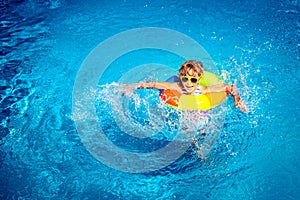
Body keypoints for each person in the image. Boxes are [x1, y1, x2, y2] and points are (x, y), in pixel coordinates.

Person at [122, 60, 246, 112]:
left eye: (193, 79)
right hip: (186, 113)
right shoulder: (177, 87)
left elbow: (228, 87)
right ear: (181, 78)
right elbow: (153, 84)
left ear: (199, 79)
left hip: (201, 111)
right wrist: (132, 86)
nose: (188, 83)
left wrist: (237, 99)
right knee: (187, 129)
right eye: (185, 79)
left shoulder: (202, 89)